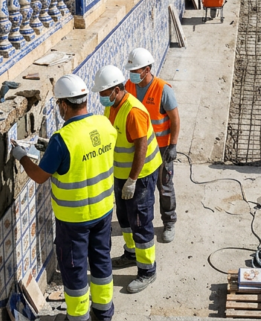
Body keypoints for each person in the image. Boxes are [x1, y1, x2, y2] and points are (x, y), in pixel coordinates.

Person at [10, 74, 116, 321]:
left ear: (64, 105)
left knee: (74, 270)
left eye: (59, 104)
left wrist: (21, 156)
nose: (59, 108)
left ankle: (78, 318)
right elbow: (86, 157)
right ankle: (103, 313)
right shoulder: (104, 125)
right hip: (103, 212)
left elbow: (38, 176)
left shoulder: (61, 140)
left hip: (74, 220)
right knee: (101, 262)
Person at [93, 65, 162, 294]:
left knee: (140, 221)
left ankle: (147, 271)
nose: (102, 98)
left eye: (104, 94)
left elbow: (141, 146)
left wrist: (132, 179)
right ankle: (131, 254)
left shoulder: (133, 111)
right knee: (124, 218)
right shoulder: (113, 106)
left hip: (139, 176)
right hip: (122, 174)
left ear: (116, 90)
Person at [125, 48, 180, 244]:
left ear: (147, 70)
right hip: (140, 149)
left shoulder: (163, 89)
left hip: (162, 148)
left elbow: (175, 119)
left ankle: (169, 221)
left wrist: (173, 145)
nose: (132, 74)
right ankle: (143, 222)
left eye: (136, 70)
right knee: (142, 188)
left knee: (164, 186)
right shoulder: (129, 86)